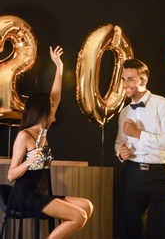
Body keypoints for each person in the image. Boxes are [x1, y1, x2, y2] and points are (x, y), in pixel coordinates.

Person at [7, 46, 94, 239]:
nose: (55, 108)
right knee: (78, 216)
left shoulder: (43, 132)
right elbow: (11, 175)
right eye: (52, 107)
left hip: (41, 192)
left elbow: (56, 96)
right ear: (43, 111)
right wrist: (28, 162)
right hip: (26, 196)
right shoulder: (25, 136)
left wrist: (59, 67)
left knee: (87, 206)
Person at [114, 58, 165, 239]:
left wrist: (139, 134)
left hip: (160, 176)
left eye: (130, 79)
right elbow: (119, 142)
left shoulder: (163, 105)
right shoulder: (124, 111)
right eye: (123, 79)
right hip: (132, 175)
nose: (125, 84)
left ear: (143, 80)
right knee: (133, 232)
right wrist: (120, 152)